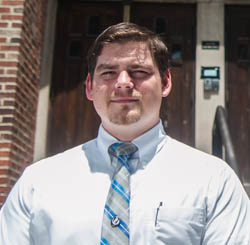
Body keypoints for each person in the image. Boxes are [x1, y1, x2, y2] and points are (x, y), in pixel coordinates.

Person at [0, 22, 250, 245]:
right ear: (89, 87)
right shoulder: (37, 183)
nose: (123, 82)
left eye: (139, 72)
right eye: (108, 73)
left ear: (165, 83)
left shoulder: (214, 181)